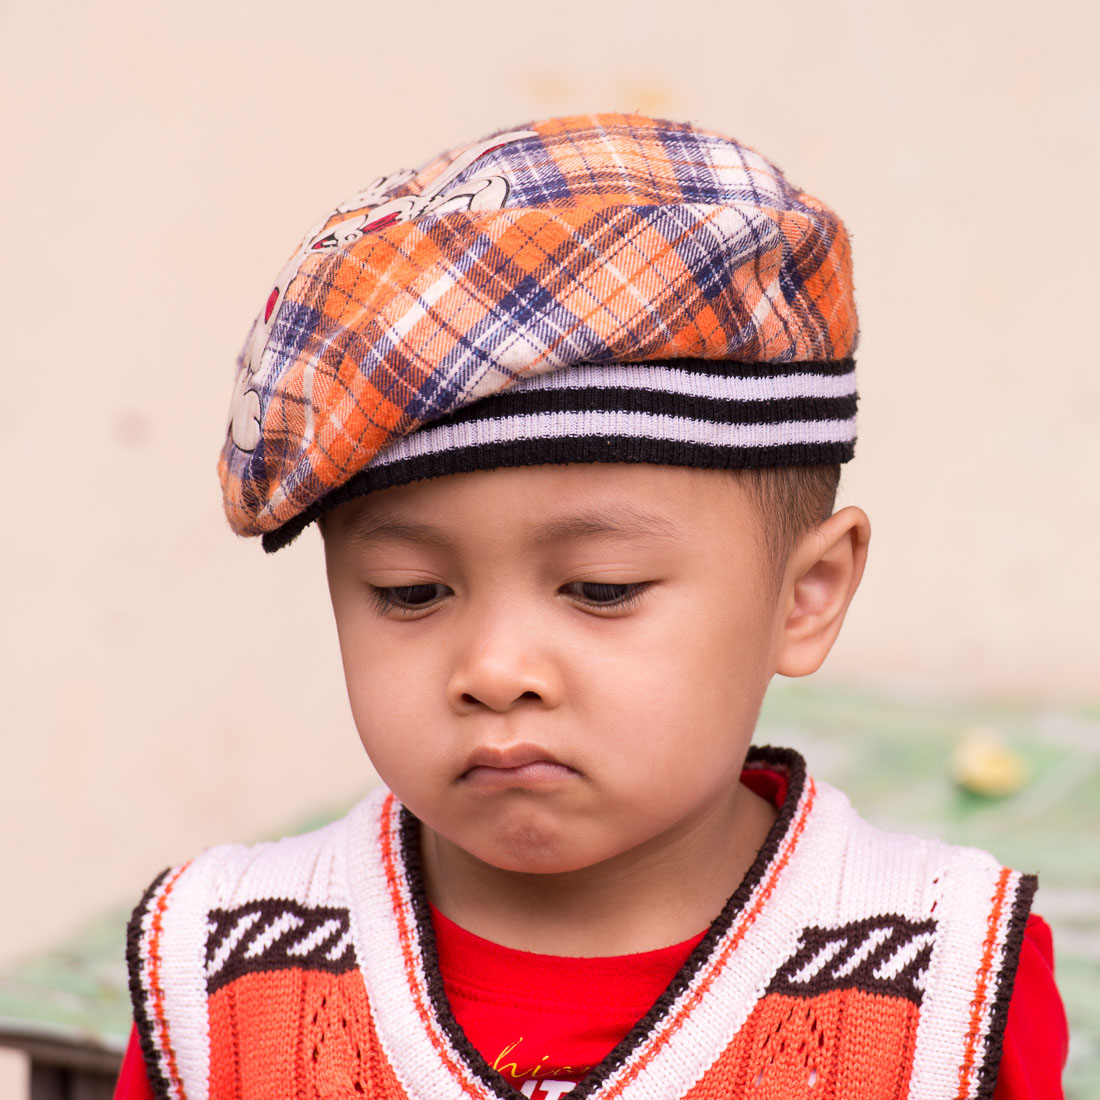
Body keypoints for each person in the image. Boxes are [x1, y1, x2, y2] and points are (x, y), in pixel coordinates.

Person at [113, 113, 1067, 1100]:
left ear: (805, 594)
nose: (493, 670)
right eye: (411, 593)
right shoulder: (217, 976)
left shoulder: (943, 984)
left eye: (600, 588)